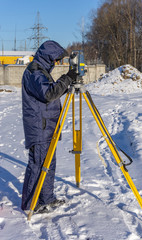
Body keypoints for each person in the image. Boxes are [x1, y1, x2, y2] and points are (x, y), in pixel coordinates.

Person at [21, 40, 77, 213]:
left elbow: (51, 90)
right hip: (39, 127)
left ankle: (46, 198)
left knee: (48, 164)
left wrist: (67, 85)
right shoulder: (35, 72)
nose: (57, 63)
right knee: (38, 165)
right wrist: (67, 78)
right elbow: (48, 93)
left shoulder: (42, 71)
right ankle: (30, 205)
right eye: (55, 59)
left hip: (46, 127)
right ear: (48, 57)